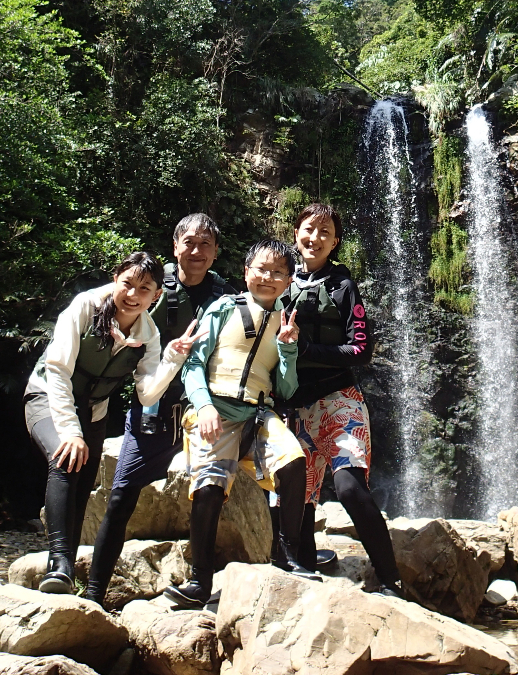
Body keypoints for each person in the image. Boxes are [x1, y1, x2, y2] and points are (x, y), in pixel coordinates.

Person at [24, 252, 199, 595]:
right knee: (64, 459)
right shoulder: (85, 307)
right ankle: (59, 564)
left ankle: (65, 576)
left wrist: (173, 358)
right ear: (115, 278)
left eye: (144, 289)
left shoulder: (148, 332)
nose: (133, 294)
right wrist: (71, 431)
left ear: (156, 296)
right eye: (127, 283)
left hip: (94, 412)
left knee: (80, 488)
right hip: (48, 396)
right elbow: (58, 370)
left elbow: (148, 395)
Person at [83, 214, 233, 608]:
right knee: (121, 496)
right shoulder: (153, 287)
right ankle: (94, 592)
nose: (196, 251)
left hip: (205, 409)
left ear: (216, 252)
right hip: (154, 405)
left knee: (209, 491)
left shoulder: (226, 296)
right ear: (175, 246)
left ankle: (202, 584)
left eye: (205, 244)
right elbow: (114, 302)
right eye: (190, 243)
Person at [163, 239, 315, 609]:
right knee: (210, 488)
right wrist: (204, 406)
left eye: (279, 272)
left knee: (295, 464)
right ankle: (200, 580)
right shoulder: (222, 309)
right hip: (215, 409)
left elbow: (286, 388)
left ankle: (287, 554)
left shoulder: (287, 320)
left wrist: (289, 350)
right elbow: (194, 365)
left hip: (257, 413)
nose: (268, 277)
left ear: (289, 279)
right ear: (246, 272)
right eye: (261, 269)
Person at [285, 203, 404, 598]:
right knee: (297, 499)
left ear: (335, 242)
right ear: (296, 232)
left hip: (339, 399)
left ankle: (391, 580)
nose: (315, 238)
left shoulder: (342, 285)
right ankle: (301, 570)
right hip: (294, 408)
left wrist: (308, 350)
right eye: (308, 229)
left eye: (325, 232)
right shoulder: (279, 280)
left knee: (351, 488)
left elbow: (362, 349)